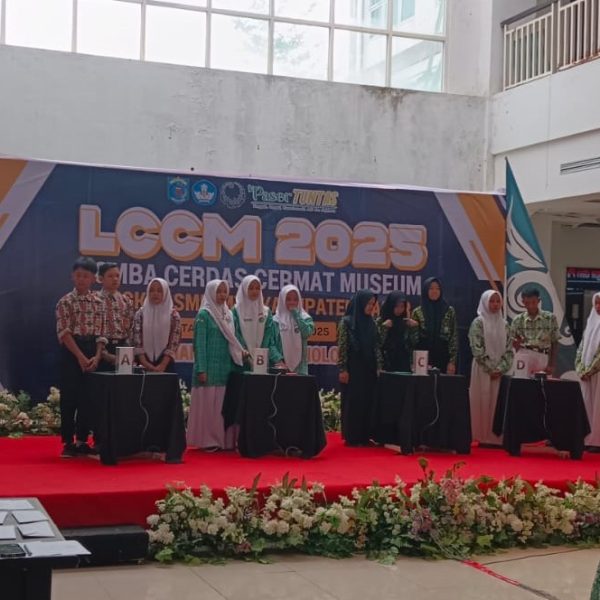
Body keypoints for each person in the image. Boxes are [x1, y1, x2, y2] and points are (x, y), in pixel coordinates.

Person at [55, 256, 106, 457]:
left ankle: (83, 440)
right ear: (72, 277)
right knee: (69, 397)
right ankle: (68, 442)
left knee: (88, 398)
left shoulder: (99, 302)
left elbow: (102, 333)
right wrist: (80, 357)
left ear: (93, 278)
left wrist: (97, 356)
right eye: (78, 275)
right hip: (71, 351)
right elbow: (64, 332)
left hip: (93, 350)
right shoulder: (65, 301)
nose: (82, 279)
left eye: (86, 276)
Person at [187, 279, 245, 451]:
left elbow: (234, 340)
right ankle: (207, 441)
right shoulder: (204, 315)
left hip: (225, 369)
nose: (222, 295)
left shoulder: (228, 314)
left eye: (224, 291)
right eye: (218, 291)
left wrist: (242, 353)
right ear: (211, 292)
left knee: (222, 408)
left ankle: (223, 441)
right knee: (209, 408)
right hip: (208, 370)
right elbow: (199, 344)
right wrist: (201, 369)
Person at [468, 290, 514, 446]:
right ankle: (481, 436)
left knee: (497, 402)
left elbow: (509, 350)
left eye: (497, 301)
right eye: (491, 301)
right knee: (482, 400)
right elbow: (476, 347)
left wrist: (500, 368)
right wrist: (490, 368)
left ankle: (496, 438)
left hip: (501, 371)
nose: (495, 305)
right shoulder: (478, 323)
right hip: (482, 369)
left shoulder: (505, 325)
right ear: (485, 303)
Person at [337, 289, 382, 446]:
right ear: (360, 303)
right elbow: (342, 347)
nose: (370, 307)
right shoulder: (347, 322)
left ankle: (365, 435)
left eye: (373, 304)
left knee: (368, 400)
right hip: (353, 367)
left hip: (369, 367)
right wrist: (343, 369)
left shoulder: (372, 323)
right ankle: (352, 436)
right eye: (368, 304)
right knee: (354, 401)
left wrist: (379, 366)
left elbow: (376, 346)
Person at [233, 274, 283, 370]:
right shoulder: (236, 311)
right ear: (244, 289)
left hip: (261, 361)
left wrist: (261, 355)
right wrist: (245, 353)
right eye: (251, 288)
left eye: (257, 288)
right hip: (242, 360)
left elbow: (268, 339)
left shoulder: (266, 312)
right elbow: (235, 335)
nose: (254, 291)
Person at [132, 278, 181, 372]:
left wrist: (162, 365)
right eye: (151, 290)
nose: (155, 293)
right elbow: (136, 339)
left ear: (165, 293)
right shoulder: (140, 314)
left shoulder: (174, 316)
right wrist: (144, 362)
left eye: (159, 291)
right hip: (143, 363)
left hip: (166, 363)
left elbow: (174, 342)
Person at [412, 277, 458, 373]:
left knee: (442, 382)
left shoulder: (449, 311)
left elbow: (453, 337)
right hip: (422, 358)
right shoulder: (418, 312)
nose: (435, 291)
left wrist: (452, 361)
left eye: (437, 288)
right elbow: (413, 341)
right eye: (431, 288)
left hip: (443, 357)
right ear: (425, 290)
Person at [511, 287, 559, 375]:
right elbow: (512, 341)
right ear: (523, 302)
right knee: (522, 381)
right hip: (523, 355)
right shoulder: (517, 320)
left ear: (539, 300)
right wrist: (516, 343)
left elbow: (555, 342)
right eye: (527, 303)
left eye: (533, 302)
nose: (531, 306)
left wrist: (552, 364)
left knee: (541, 382)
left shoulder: (550, 318)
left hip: (543, 355)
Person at [97, 262, 135, 371]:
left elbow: (131, 329)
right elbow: (94, 331)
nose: (115, 279)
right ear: (101, 279)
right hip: (101, 349)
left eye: (117, 276)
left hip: (123, 349)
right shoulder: (95, 300)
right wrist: (104, 353)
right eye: (110, 276)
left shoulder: (126, 301)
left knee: (123, 381)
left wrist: (128, 352)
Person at [575, 292, 600, 451]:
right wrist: (580, 368)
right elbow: (581, 348)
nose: (598, 306)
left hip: (597, 373)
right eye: (596, 303)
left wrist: (589, 370)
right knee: (586, 405)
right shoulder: (590, 323)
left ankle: (597, 441)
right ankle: (586, 439)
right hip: (586, 375)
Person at [273, 285, 315, 375]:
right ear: (282, 300)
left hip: (300, 367)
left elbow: (306, 333)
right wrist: (279, 360)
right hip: (280, 366)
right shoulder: (275, 320)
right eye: (288, 299)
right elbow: (271, 344)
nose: (292, 302)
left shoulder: (305, 318)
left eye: (295, 299)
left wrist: (296, 315)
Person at [376, 291, 418, 372]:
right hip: (386, 364)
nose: (399, 310)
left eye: (402, 307)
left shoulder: (406, 322)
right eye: (396, 306)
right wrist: (384, 328)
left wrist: (414, 328)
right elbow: (378, 344)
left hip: (404, 364)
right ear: (390, 305)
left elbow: (414, 343)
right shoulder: (381, 321)